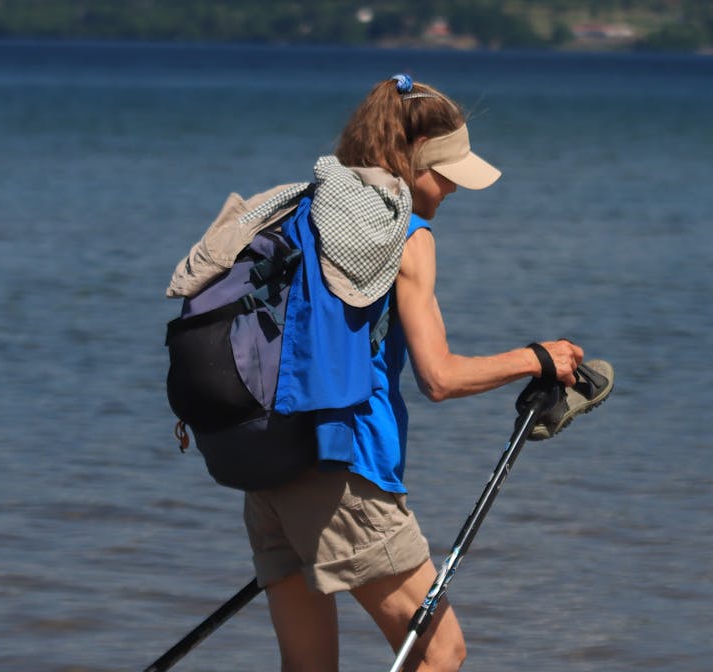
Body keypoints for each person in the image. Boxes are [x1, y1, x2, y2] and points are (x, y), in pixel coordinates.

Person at [235, 75, 598, 672]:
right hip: (345, 476)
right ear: (409, 160)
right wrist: (538, 358)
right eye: (446, 170)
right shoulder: (406, 237)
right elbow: (439, 376)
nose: (454, 186)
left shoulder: (304, 212)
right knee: (440, 652)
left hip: (267, 468)